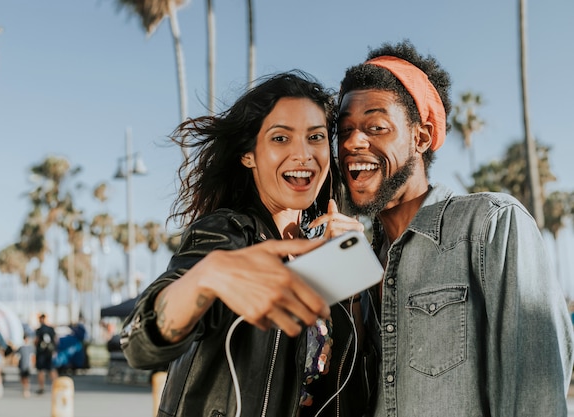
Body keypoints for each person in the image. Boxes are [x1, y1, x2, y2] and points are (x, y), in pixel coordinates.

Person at [335, 39, 574, 416]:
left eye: (375, 127)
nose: (352, 142)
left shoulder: (491, 225)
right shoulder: (357, 264)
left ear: (422, 136)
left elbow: (537, 399)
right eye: (344, 129)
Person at [121, 71, 370, 416]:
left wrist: (353, 276)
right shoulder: (228, 234)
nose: (303, 154)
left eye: (315, 137)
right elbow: (140, 345)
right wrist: (205, 276)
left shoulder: (324, 249)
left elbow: (348, 378)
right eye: (281, 138)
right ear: (248, 155)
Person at [34, 313, 57, 394]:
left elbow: (36, 341)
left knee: (41, 370)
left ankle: (41, 387)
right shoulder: (51, 329)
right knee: (52, 369)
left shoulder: (39, 330)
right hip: (49, 352)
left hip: (41, 353)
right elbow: (56, 340)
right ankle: (56, 386)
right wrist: (54, 349)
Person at [16, 334, 35, 398]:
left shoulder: (30, 347)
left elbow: (33, 357)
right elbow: (17, 357)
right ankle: (24, 389)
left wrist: (32, 364)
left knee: (26, 378)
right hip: (22, 365)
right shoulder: (21, 347)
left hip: (27, 365)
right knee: (22, 378)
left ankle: (26, 390)